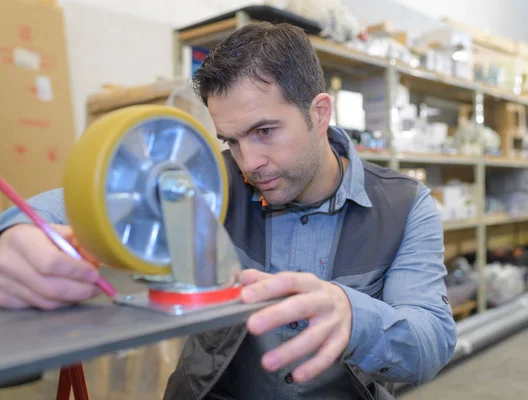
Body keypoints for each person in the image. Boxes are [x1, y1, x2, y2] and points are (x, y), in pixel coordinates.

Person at [0, 22, 456, 399]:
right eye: (230, 140)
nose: (248, 163)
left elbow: (430, 341)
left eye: (264, 131)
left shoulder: (405, 205)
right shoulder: (204, 184)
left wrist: (355, 317)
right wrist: (16, 237)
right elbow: (63, 206)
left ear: (319, 114)